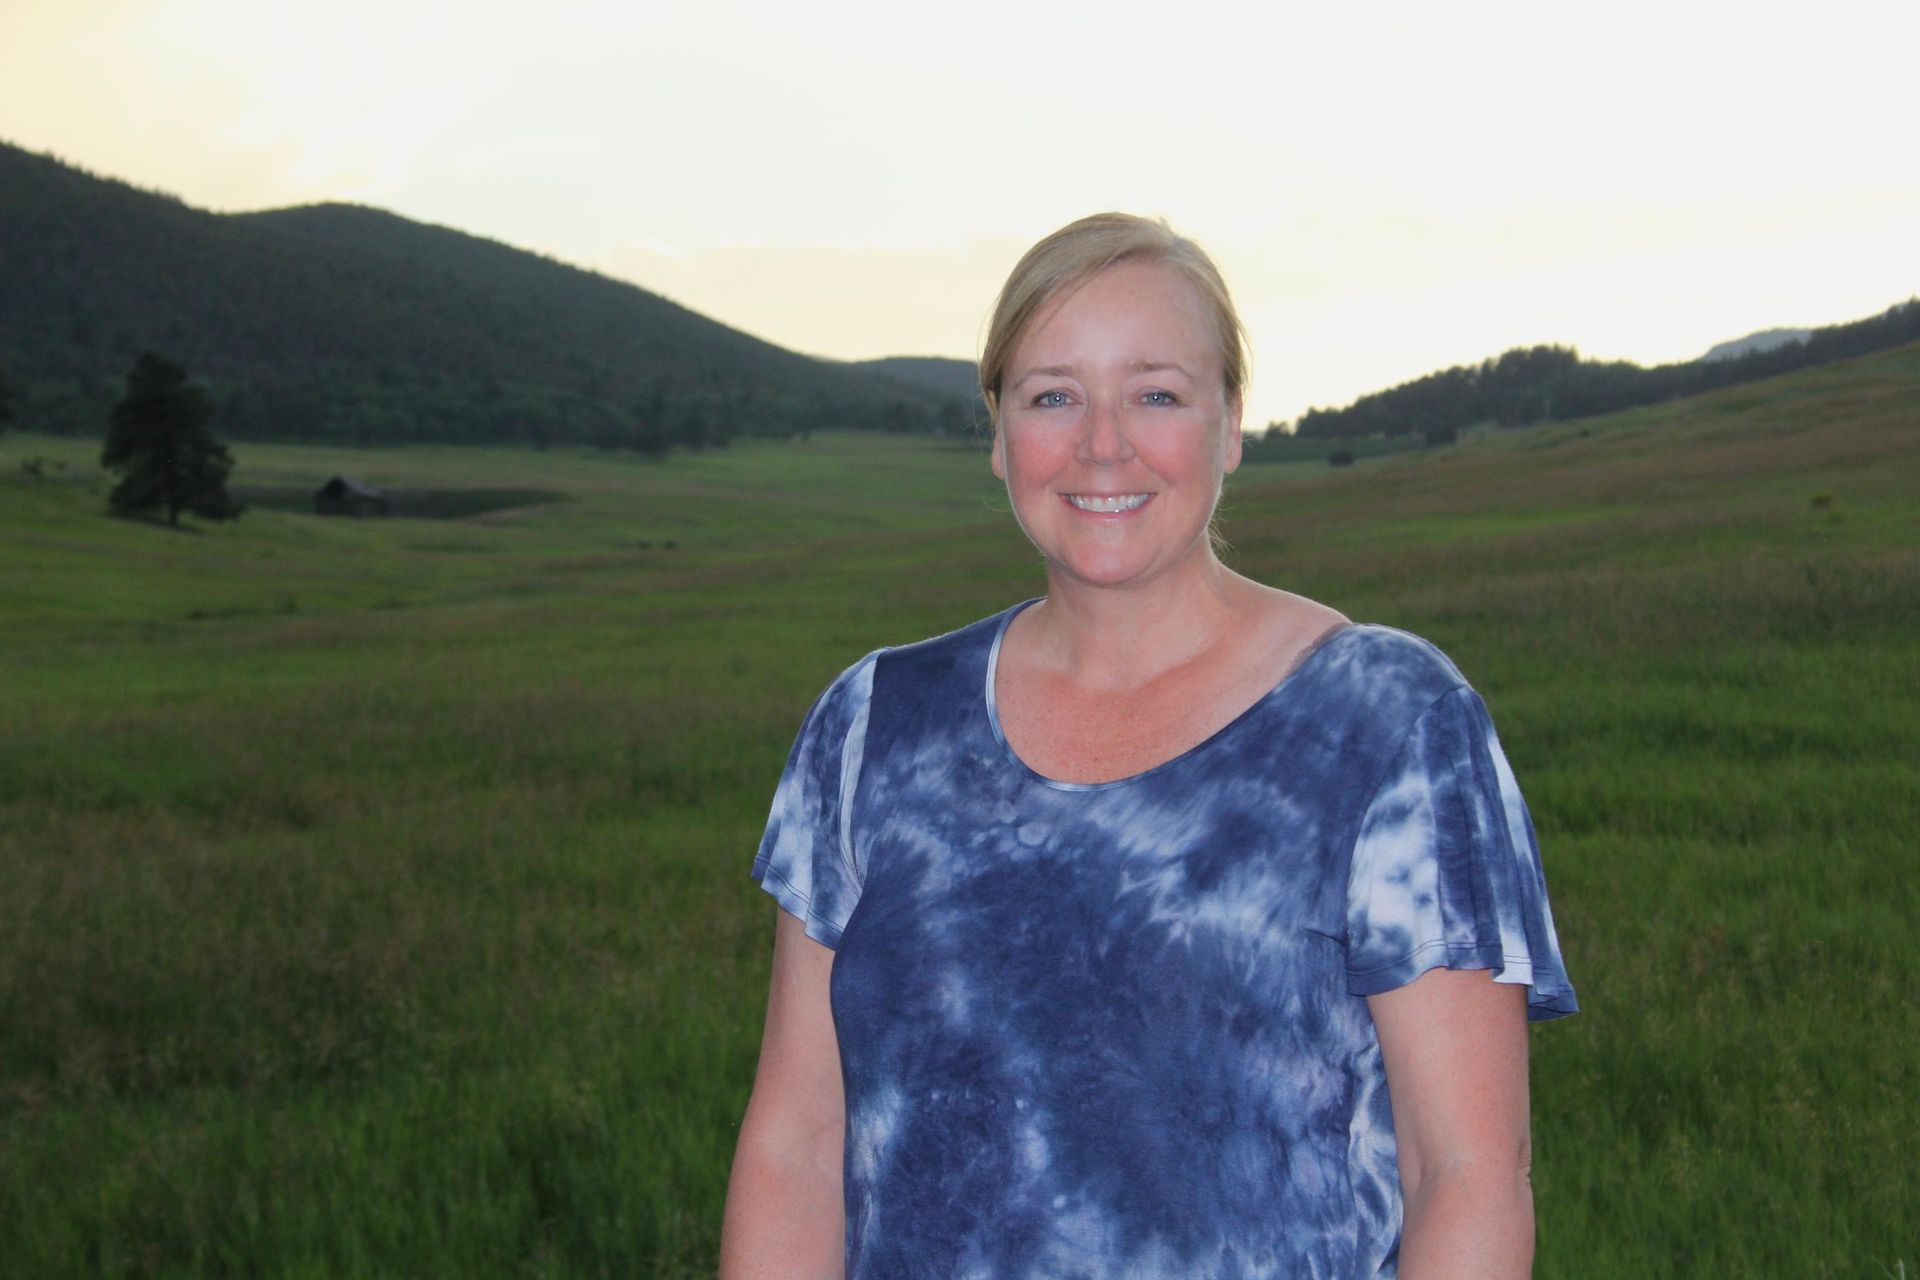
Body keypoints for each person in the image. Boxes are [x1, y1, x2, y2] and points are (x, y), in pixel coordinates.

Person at [719, 213, 1577, 1279]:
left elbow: (1469, 1175)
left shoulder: (1390, 723)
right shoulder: (874, 727)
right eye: (1053, 395)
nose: (1103, 442)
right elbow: (797, 1147)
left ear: (1229, 425)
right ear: (999, 435)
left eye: (1157, 393)